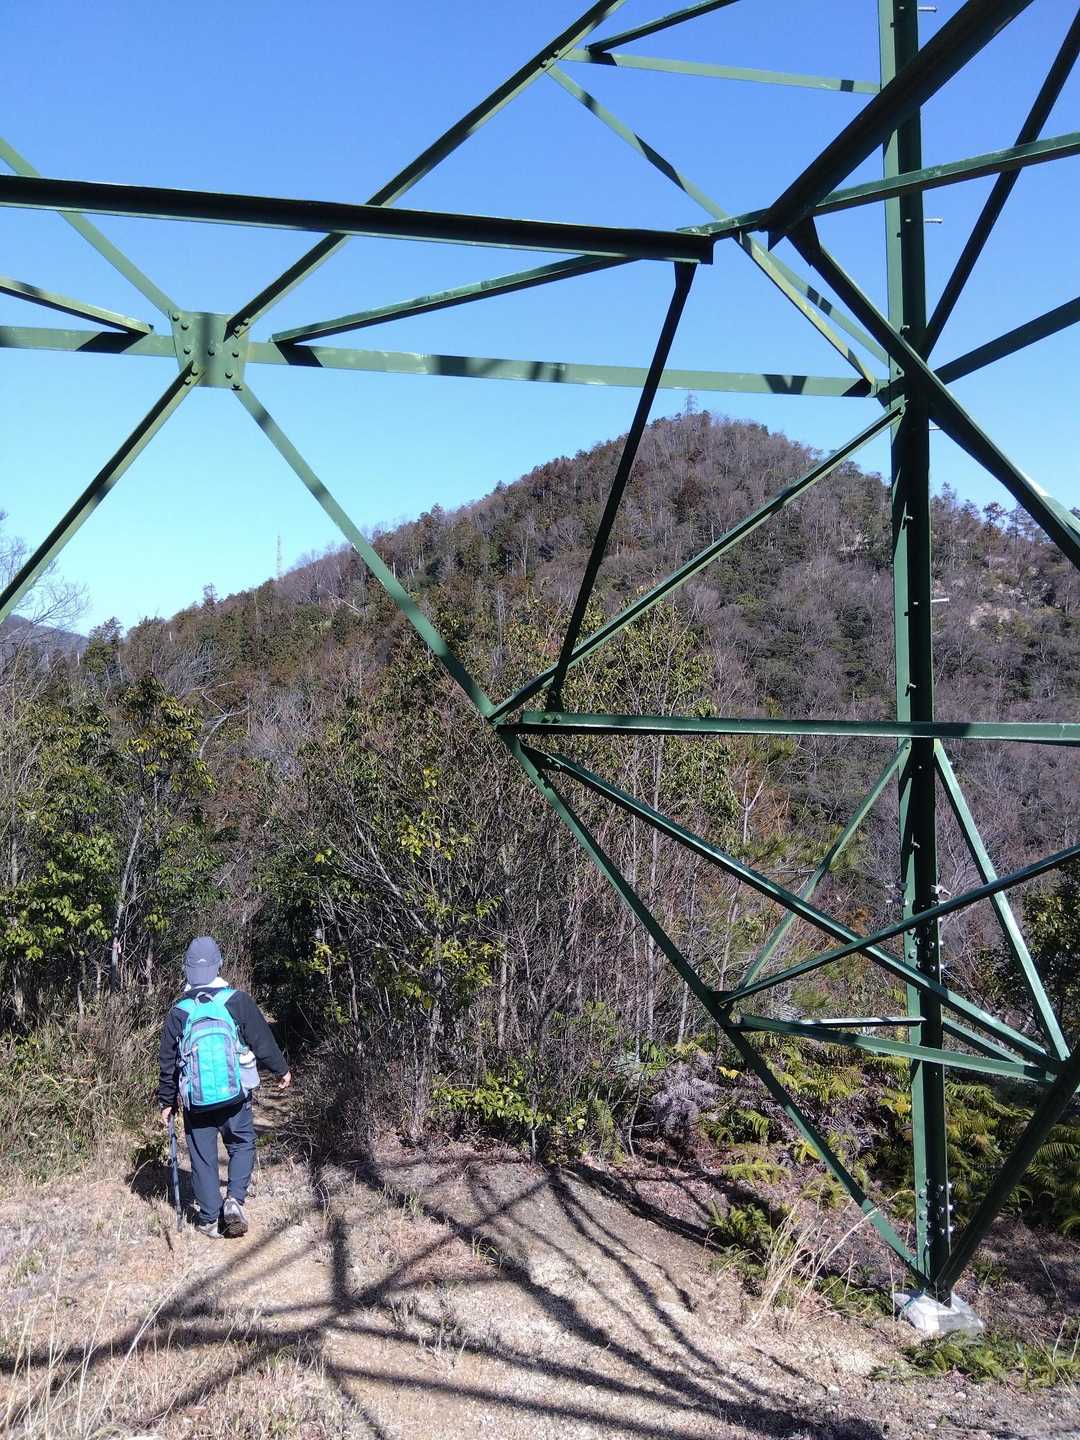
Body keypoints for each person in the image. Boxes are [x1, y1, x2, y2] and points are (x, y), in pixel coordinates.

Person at [158, 936, 291, 1238]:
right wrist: (280, 1070)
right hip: (235, 1096)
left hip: (197, 1102)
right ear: (219, 965)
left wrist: (167, 1100)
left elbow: (168, 1062)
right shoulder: (236, 1000)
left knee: (202, 1156)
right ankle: (234, 1200)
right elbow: (262, 1040)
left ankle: (208, 1220)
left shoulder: (179, 1011)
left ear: (186, 969)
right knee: (242, 1143)